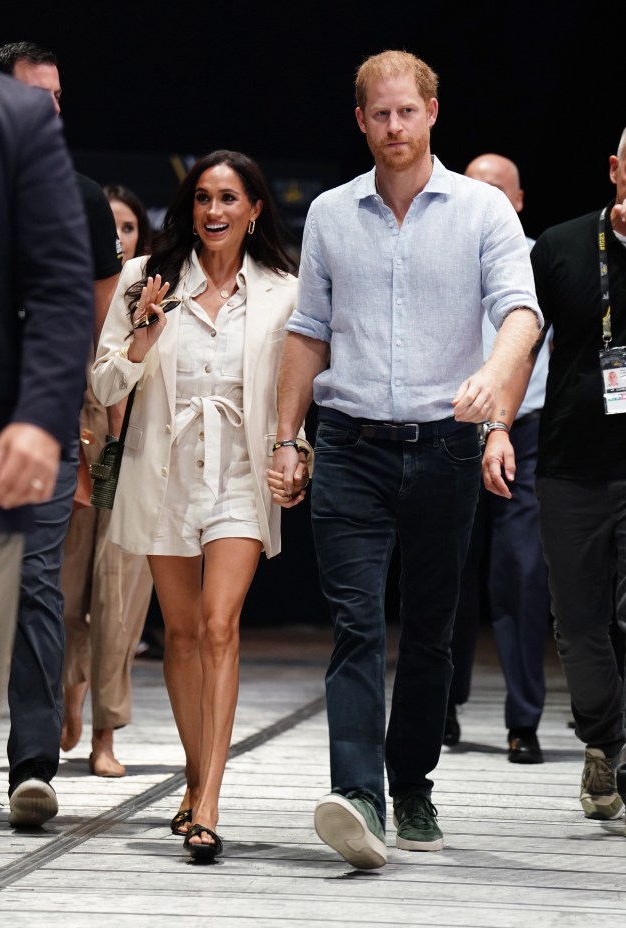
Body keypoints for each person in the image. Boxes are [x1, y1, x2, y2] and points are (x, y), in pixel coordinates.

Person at [268, 49, 542, 870]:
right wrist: (289, 437)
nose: (393, 127)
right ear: (360, 121)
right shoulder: (328, 213)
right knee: (354, 621)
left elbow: (519, 312)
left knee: (429, 632)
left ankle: (410, 782)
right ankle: (356, 795)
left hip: (445, 447)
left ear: (431, 112)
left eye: (406, 112)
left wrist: (496, 378)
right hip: (349, 442)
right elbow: (307, 332)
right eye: (378, 114)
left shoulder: (482, 211)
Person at [91, 149, 310, 861]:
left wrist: (293, 448)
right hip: (163, 473)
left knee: (220, 626)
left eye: (228, 198)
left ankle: (208, 801)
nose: (213, 211)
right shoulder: (143, 280)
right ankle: (194, 778)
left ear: (254, 211)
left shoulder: (284, 288)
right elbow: (101, 386)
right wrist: (144, 336)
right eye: (202, 198)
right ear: (188, 209)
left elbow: (293, 387)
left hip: (240, 478)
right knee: (181, 635)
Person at [0, 42, 122, 826]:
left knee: (33, 584)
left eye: (59, 99)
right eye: (38, 97)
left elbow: (87, 316)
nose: (53, 113)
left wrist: (62, 417)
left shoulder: (76, 196)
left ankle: (33, 764)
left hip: (37, 418)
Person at [483, 127, 626, 823]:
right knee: (577, 622)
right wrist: (499, 426)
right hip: (570, 463)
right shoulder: (564, 247)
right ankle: (603, 742)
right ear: (613, 168)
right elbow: (519, 343)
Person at [445, 154, 552, 764]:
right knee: (448, 573)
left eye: (495, 189)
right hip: (452, 429)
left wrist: (505, 422)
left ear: (516, 200)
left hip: (526, 432)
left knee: (521, 574)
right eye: (472, 187)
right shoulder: (443, 248)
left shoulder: (547, 257)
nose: (482, 198)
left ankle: (524, 720)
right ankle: (444, 706)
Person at [59, 183, 154, 777]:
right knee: (64, 591)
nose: (116, 238)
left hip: (137, 446)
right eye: (108, 227)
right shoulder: (69, 291)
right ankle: (66, 695)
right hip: (75, 439)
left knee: (120, 598)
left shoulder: (156, 291)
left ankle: (105, 736)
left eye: (127, 227)